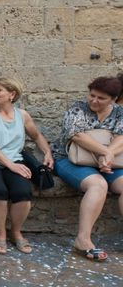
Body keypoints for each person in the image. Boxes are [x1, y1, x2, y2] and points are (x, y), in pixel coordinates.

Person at [0, 78, 54, 255]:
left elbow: (37, 135)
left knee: (23, 192)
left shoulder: (22, 115)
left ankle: (16, 232)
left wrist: (47, 152)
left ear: (12, 94)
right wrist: (10, 165)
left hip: (14, 159)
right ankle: (1, 233)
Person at [53, 75, 123, 262]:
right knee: (98, 185)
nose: (94, 100)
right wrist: (105, 153)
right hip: (71, 159)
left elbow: (121, 137)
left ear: (113, 100)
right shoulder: (77, 108)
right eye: (92, 95)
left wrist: (108, 155)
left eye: (101, 98)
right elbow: (76, 136)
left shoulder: (119, 112)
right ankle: (82, 240)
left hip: (109, 162)